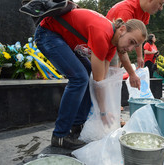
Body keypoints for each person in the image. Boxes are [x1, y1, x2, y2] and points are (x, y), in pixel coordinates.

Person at [34, 8, 147, 149]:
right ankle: (60, 135)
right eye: (131, 42)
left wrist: (106, 108)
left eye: (135, 46)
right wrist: (104, 112)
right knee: (79, 78)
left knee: (86, 73)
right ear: (122, 29)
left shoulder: (113, 44)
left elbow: (103, 81)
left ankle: (77, 124)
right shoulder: (102, 34)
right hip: (47, 34)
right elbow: (98, 82)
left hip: (62, 39)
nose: (130, 49)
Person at [106, 0, 164, 67]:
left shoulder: (145, 12)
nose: (161, 8)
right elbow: (121, 48)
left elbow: (139, 37)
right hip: (108, 44)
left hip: (115, 46)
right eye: (160, 4)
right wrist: (132, 74)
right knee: (111, 72)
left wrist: (139, 56)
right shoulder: (126, 10)